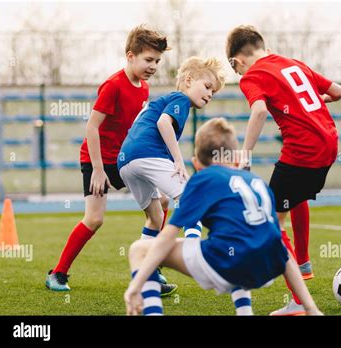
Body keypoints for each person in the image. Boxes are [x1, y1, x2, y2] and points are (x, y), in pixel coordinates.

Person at [123, 118, 323, 316]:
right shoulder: (258, 182)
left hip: (227, 263)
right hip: (265, 267)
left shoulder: (204, 179)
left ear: (196, 164)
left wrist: (136, 284)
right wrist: (310, 307)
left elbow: (167, 236)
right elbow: (280, 246)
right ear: (236, 158)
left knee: (139, 250)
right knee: (238, 244)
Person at [46, 25, 175, 295]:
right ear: (130, 56)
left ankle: (149, 270)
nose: (153, 66)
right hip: (98, 160)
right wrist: (96, 170)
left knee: (161, 205)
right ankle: (58, 274)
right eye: (148, 60)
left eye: (157, 61)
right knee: (94, 219)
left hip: (125, 158)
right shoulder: (113, 85)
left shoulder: (144, 87)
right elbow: (92, 128)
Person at [225, 25, 341, 315]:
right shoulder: (293, 64)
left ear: (237, 62)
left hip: (303, 149)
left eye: (237, 71)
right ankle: (302, 262)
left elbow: (259, 111)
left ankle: (299, 303)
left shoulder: (252, 75)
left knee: (269, 220)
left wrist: (245, 154)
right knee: (293, 197)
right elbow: (337, 92)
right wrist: (308, 107)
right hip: (329, 144)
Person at [117, 56, 225, 256]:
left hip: (125, 161)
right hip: (147, 154)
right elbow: (163, 123)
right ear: (189, 80)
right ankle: (193, 255)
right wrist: (177, 160)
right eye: (208, 86)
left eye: (213, 92)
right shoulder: (181, 99)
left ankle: (146, 271)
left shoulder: (163, 100)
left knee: (156, 217)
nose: (210, 94)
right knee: (192, 198)